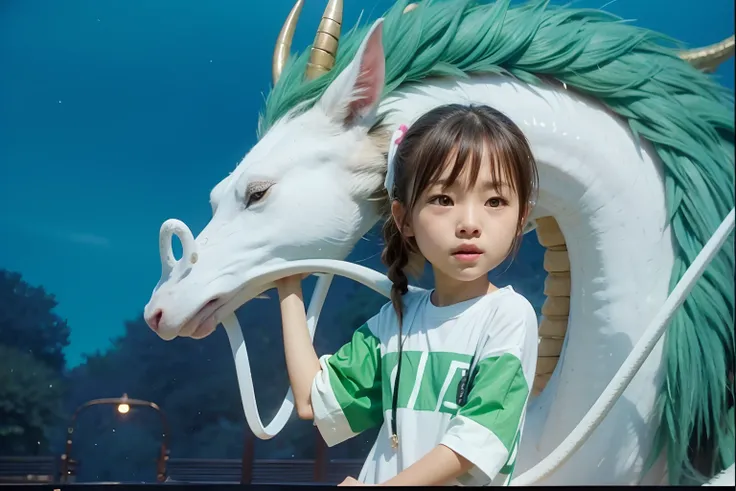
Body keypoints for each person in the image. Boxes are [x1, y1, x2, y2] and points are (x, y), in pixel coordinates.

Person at [275, 103, 540, 486]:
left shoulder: (509, 316)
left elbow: (476, 442)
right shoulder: (393, 322)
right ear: (404, 219)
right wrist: (289, 285)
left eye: (495, 202)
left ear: (521, 218)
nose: (469, 224)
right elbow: (313, 401)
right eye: (443, 200)